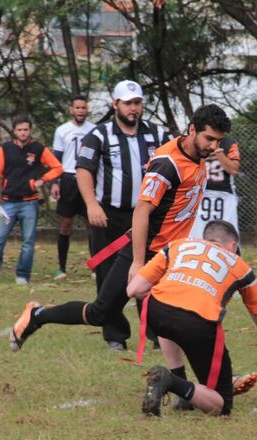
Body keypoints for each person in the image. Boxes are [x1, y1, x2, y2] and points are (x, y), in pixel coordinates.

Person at [7, 104, 231, 370]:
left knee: (183, 315)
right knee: (100, 313)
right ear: (192, 130)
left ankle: (202, 382)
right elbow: (142, 211)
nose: (213, 146)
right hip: (147, 250)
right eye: (209, 139)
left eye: (218, 141)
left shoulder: (199, 157)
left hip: (173, 254)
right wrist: (138, 262)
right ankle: (37, 315)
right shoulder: (167, 164)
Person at [126, 220, 257, 416]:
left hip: (156, 312)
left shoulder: (178, 245)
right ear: (233, 245)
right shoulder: (242, 267)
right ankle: (172, 382)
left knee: (168, 312)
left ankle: (182, 394)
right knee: (221, 404)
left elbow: (133, 289)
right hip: (198, 324)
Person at [75, 80, 169, 350]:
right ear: (115, 104)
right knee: (108, 276)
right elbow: (83, 170)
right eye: (128, 103)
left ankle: (156, 333)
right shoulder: (99, 134)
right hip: (109, 217)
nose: (133, 108)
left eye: (137, 103)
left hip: (147, 216)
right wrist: (92, 204)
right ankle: (115, 335)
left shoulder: (157, 134)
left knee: (151, 273)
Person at [0, 115, 63, 285]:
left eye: (26, 129)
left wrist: (41, 181)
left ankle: (23, 275)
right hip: (7, 202)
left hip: (30, 203)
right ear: (14, 131)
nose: (23, 133)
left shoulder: (38, 149)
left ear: (30, 130)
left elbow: (58, 167)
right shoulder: (5, 148)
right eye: (20, 130)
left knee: (28, 241)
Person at [51, 95, 96, 280]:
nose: (80, 111)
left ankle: (96, 267)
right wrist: (55, 182)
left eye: (83, 108)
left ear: (87, 110)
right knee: (65, 224)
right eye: (77, 108)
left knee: (92, 224)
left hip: (87, 178)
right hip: (68, 179)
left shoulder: (94, 130)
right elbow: (56, 159)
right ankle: (61, 268)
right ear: (71, 110)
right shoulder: (62, 130)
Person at [188, 137, 241, 239]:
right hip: (200, 194)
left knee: (227, 234)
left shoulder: (229, 143)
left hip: (224, 196)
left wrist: (219, 153)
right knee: (197, 236)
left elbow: (234, 170)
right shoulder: (195, 142)